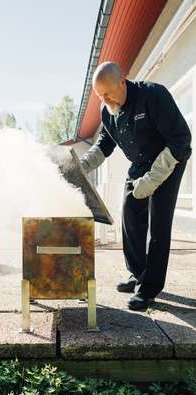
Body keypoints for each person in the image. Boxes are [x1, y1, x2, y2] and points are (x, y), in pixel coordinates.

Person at [80, 61, 192, 311]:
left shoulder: (153, 95)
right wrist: (84, 165)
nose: (104, 98)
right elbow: (105, 142)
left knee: (158, 224)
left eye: (107, 92)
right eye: (100, 95)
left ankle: (150, 288)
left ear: (123, 80)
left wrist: (152, 181)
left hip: (169, 158)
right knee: (129, 216)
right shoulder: (107, 109)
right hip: (140, 163)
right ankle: (137, 274)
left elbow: (181, 140)